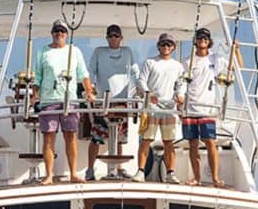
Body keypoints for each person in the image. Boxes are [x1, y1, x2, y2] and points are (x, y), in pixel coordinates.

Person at [32, 20, 95, 185]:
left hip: (70, 100)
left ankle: (73, 173)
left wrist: (89, 92)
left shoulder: (75, 51)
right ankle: (48, 175)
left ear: (67, 34)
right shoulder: (42, 51)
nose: (59, 33)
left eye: (62, 31)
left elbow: (83, 74)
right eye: (56, 31)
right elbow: (37, 76)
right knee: (48, 138)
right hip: (48, 100)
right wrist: (35, 95)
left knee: (70, 136)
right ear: (51, 33)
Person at [179, 27, 232, 186]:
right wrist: (180, 97)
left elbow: (235, 67)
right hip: (190, 109)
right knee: (193, 145)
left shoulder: (215, 59)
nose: (202, 41)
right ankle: (197, 178)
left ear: (209, 42)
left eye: (205, 38)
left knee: (210, 143)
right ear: (195, 41)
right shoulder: (187, 61)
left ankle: (215, 178)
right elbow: (181, 82)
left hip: (207, 109)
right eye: (200, 38)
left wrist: (235, 50)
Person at [86, 24, 136, 181]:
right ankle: (90, 169)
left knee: (120, 137)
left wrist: (141, 90)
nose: (113, 38)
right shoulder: (99, 52)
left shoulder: (128, 52)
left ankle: (119, 168)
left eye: (116, 35)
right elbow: (91, 71)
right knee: (96, 137)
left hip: (122, 101)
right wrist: (91, 89)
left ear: (121, 38)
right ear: (106, 38)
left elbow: (135, 72)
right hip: (103, 101)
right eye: (111, 35)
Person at [133, 32, 184, 183]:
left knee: (169, 142)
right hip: (151, 108)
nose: (166, 47)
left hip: (169, 108)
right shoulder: (150, 62)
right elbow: (141, 81)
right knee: (146, 140)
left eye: (169, 44)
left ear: (173, 47)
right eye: (163, 44)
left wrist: (180, 96)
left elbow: (181, 85)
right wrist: (149, 93)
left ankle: (170, 173)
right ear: (158, 46)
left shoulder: (178, 66)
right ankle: (140, 172)